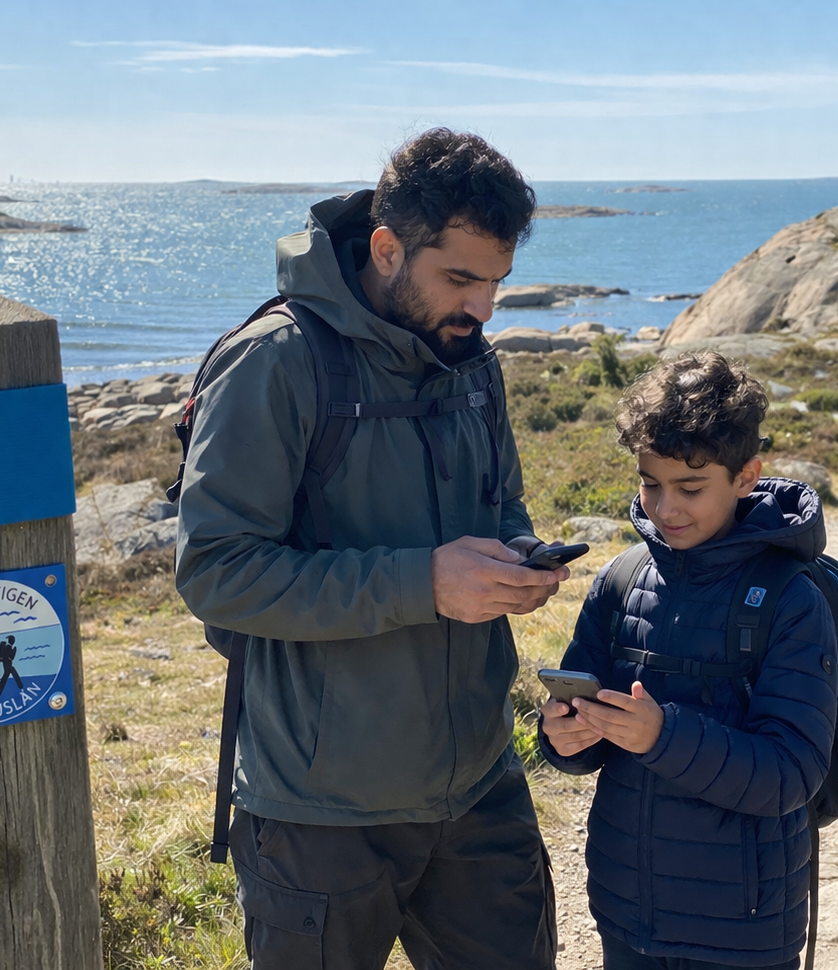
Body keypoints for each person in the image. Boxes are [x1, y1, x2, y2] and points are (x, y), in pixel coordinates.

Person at [176, 129, 566, 970]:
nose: (483, 308)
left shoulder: (472, 359)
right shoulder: (276, 363)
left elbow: (500, 506)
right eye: (459, 279)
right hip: (321, 812)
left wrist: (516, 560)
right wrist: (423, 583)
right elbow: (216, 571)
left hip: (479, 784)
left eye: (496, 283)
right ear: (386, 248)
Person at [540, 352, 838, 970]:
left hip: (742, 928)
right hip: (625, 909)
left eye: (691, 488)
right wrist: (563, 738)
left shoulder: (790, 600)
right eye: (650, 483)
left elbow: (791, 774)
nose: (666, 507)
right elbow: (584, 738)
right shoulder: (621, 579)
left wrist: (662, 735)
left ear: (746, 476)